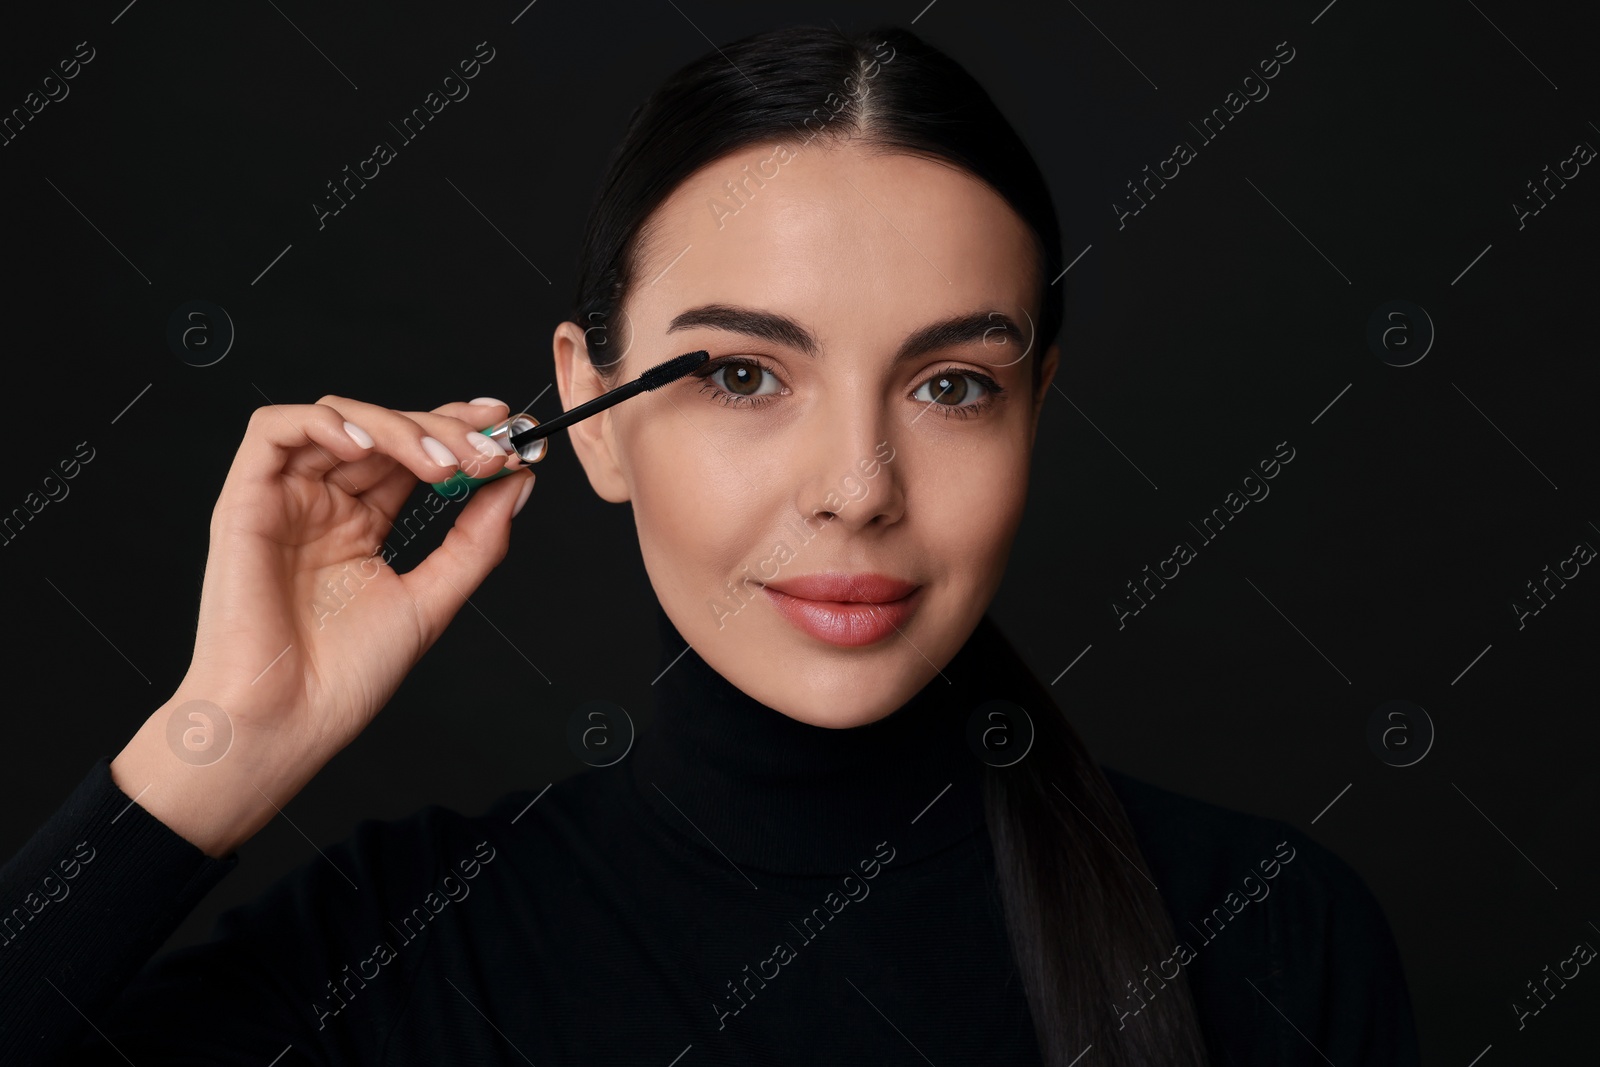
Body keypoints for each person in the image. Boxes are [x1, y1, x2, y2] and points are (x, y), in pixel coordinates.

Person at [0, 22, 1419, 1066]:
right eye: (744, 375)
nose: (857, 489)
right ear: (591, 415)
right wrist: (223, 737)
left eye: (951, 385)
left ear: (1034, 411)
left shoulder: (1273, 940)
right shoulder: (405, 951)